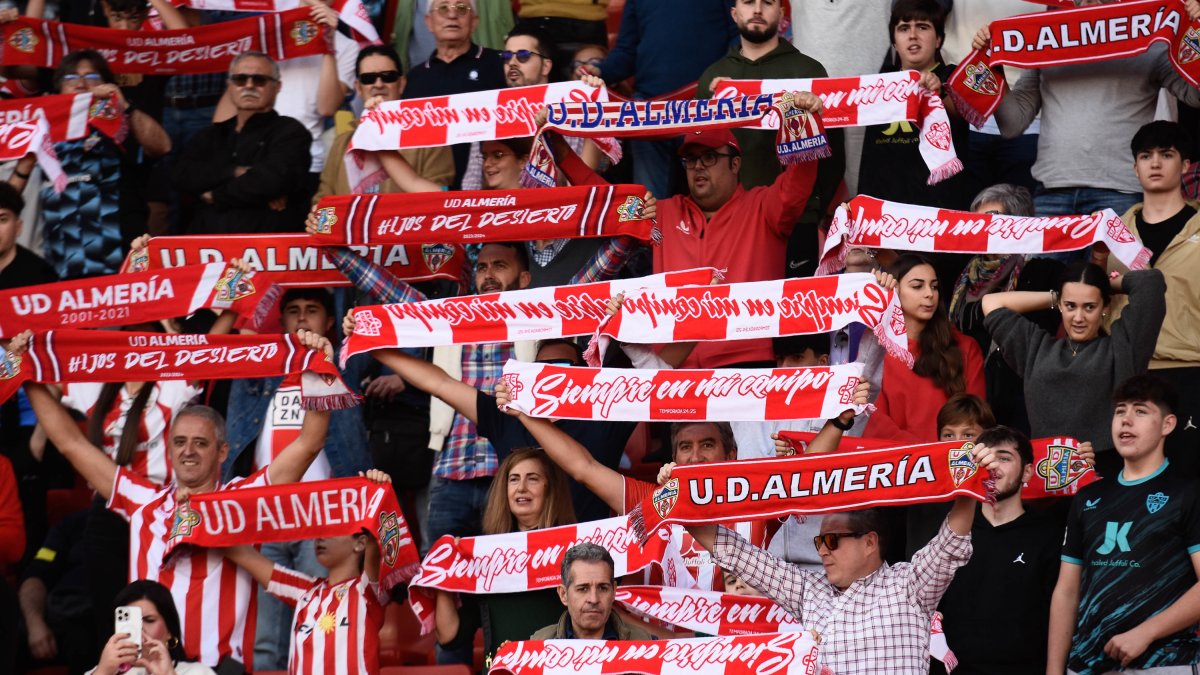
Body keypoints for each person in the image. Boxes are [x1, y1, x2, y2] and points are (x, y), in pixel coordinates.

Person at [18, 329, 335, 669]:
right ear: (168, 451)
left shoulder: (244, 501)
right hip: (146, 669)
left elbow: (308, 443)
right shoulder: (144, 501)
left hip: (218, 669)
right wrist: (26, 374)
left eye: (200, 443)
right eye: (180, 442)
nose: (188, 451)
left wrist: (319, 370)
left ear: (222, 452)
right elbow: (70, 443)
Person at [493, 381, 869, 591]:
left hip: (744, 648)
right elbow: (582, 466)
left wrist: (838, 421)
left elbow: (801, 474)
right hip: (669, 654)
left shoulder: (754, 502)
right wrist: (524, 414)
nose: (694, 457)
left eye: (707, 445)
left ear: (731, 453)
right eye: (685, 447)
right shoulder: (654, 502)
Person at [672, 442, 1001, 675]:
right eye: (819, 541)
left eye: (832, 540)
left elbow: (951, 543)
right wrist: (680, 502)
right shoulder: (809, 590)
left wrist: (972, 479)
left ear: (870, 542)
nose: (822, 550)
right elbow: (738, 555)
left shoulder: (909, 584)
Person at [552, 93, 823, 368]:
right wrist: (559, 149)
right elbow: (603, 200)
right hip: (671, 367)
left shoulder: (765, 208)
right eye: (690, 160)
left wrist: (804, 122)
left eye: (709, 157)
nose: (698, 166)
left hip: (746, 364)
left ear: (735, 164)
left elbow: (798, 180)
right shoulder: (661, 215)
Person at [221, 288, 371, 672]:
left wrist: (325, 353)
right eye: (293, 311)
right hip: (264, 516)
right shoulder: (257, 367)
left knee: (321, 629)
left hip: (322, 521)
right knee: (268, 643)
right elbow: (218, 349)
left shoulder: (343, 363)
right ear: (282, 321)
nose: (302, 319)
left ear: (330, 322)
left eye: (312, 311)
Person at [350, 333, 634, 524]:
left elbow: (661, 378)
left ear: (583, 376)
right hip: (518, 564)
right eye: (539, 369)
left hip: (585, 568)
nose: (550, 375)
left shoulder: (602, 422)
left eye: (561, 366)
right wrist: (370, 345)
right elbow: (439, 383)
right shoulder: (507, 419)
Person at [974, 1, 1200, 220]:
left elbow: (1194, 96)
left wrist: (1197, 32)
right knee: (1038, 262)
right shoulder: (1044, 43)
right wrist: (994, 65)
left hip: (1120, 193)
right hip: (1052, 191)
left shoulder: (1153, 42)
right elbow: (1012, 124)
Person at [1049, 375, 1200, 675]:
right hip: (1086, 664)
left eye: (1140, 411)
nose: (1126, 420)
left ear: (1167, 425)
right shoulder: (1088, 496)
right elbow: (1066, 591)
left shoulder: (1188, 493)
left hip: (1166, 662)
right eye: (1120, 411)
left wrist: (1146, 632)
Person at [696, 0, 844, 278]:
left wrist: (810, 208)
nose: (758, 9)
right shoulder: (712, 79)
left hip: (797, 221)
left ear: (781, 12)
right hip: (729, 221)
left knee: (796, 317)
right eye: (748, 2)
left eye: (768, 2)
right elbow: (696, 157)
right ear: (734, 12)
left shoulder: (809, 72)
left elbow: (832, 156)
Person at [982, 263, 1166, 472]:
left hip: (1104, 474)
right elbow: (991, 302)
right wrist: (1058, 296)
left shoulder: (1122, 348)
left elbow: (1151, 282)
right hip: (1046, 477)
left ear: (1105, 307)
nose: (1078, 317)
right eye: (1070, 306)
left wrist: (1102, 284)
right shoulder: (1036, 348)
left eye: (1089, 306)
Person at [6, 49, 170, 279]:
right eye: (71, 78)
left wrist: (124, 105)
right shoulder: (42, 131)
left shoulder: (122, 127)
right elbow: (6, 201)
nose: (81, 83)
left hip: (122, 261)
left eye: (92, 77)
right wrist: (27, 161)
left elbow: (162, 147)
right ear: (58, 89)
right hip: (60, 263)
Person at [221, 469, 394, 675]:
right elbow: (242, 554)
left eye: (331, 528)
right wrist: (197, 511)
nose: (319, 536)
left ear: (360, 543)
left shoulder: (367, 590)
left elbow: (377, 540)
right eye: (319, 529)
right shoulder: (306, 591)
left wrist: (379, 489)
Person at [1108, 121, 1200, 478]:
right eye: (1146, 156)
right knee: (1132, 484)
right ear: (1135, 167)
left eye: (1167, 154)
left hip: (1190, 368)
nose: (1155, 163)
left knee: (1189, 483)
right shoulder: (1111, 232)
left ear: (1186, 165)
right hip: (1128, 372)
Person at [935, 426, 1064, 675]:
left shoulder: (1049, 535)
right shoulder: (952, 529)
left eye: (1004, 458)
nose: (993, 466)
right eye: (985, 457)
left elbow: (1060, 616)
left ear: (1027, 471)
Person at [433, 448, 577, 669]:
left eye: (533, 479)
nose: (521, 488)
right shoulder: (485, 555)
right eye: (514, 479)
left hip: (556, 668)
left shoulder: (575, 551)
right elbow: (450, 636)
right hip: (499, 670)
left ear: (550, 489)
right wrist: (444, 575)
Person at [579, 0, 738, 198]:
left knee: (712, 197)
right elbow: (627, 52)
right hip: (648, 112)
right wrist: (600, 71)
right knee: (649, 202)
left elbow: (737, 38)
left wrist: (725, 78)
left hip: (703, 108)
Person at [213, 0, 359, 200]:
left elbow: (327, 107)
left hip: (300, 157)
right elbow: (233, 97)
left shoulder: (347, 45)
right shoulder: (267, 26)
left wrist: (327, 44)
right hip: (246, 152)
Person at [172, 52, 312, 234]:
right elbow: (182, 176)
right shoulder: (210, 135)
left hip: (269, 247)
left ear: (277, 86)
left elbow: (274, 180)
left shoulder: (291, 131)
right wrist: (235, 171)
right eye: (240, 79)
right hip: (207, 247)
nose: (249, 85)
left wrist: (214, 195)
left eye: (259, 80)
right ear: (229, 86)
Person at [865, 254, 986, 442]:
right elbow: (874, 422)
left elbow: (977, 420)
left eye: (934, 286)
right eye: (917, 286)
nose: (929, 293)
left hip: (954, 462)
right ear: (895, 291)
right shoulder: (876, 350)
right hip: (899, 464)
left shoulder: (966, 347)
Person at [313, 44, 457, 200]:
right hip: (350, 224)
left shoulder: (431, 138)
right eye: (369, 79)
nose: (379, 84)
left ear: (401, 84)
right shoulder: (342, 142)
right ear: (359, 89)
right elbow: (323, 199)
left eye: (388, 76)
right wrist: (317, 217)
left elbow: (438, 202)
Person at [402, 0, 507, 188]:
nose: (452, 15)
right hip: (430, 185)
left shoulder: (498, 64)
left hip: (489, 181)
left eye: (461, 8)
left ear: (474, 21)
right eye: (443, 8)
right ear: (428, 22)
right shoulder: (414, 78)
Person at [530, 542, 654, 641]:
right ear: (563, 594)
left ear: (614, 591)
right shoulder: (540, 643)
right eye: (583, 589)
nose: (594, 599)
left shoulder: (643, 643)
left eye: (603, 588)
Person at [89, 580, 214, 675]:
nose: (140, 629)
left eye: (149, 620)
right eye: (132, 622)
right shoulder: (103, 670)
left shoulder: (198, 672)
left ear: (170, 630)